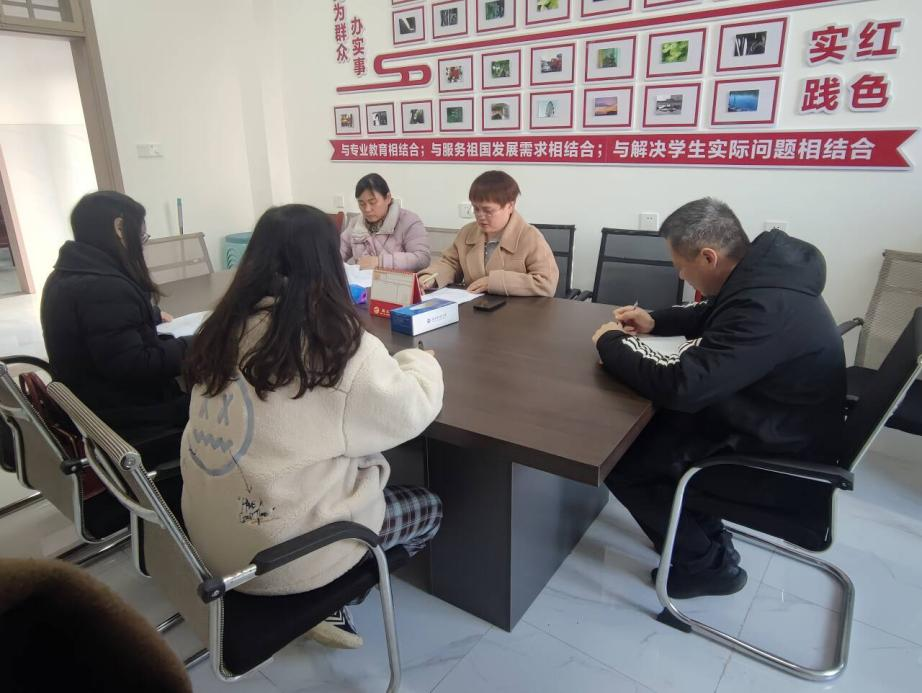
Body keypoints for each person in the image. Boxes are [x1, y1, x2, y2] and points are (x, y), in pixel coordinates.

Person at [182, 204, 443, 649]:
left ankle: (321, 594)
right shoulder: (336, 346)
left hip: (205, 539)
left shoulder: (219, 328)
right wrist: (421, 360)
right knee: (430, 508)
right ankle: (326, 600)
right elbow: (413, 409)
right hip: (280, 556)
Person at [591, 198, 845, 599]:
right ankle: (698, 536)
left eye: (681, 266)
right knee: (647, 438)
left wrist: (610, 344)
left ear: (708, 257)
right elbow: (714, 313)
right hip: (769, 420)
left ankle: (707, 567)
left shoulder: (766, 306)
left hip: (776, 458)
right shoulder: (764, 276)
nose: (680, 274)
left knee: (622, 460)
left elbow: (684, 387)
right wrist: (656, 320)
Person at [41, 191, 190, 462]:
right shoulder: (104, 287)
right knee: (223, 407)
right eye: (141, 236)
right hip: (128, 422)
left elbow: (103, 323)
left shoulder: (66, 276)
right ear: (120, 228)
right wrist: (192, 345)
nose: (141, 246)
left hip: (92, 409)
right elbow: (136, 366)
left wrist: (150, 316)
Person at [418, 170, 559, 297]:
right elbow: (451, 264)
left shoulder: (530, 237)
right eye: (476, 209)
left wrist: (494, 282)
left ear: (510, 206)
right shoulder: (467, 232)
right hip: (473, 308)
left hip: (518, 312)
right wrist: (430, 278)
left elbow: (546, 283)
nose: (480, 216)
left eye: (488, 210)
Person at [340, 173, 430, 271]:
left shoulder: (409, 221)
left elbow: (422, 258)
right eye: (362, 204)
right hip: (362, 280)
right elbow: (337, 253)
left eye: (372, 202)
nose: (367, 209)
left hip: (396, 280)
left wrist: (380, 262)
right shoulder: (355, 224)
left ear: (387, 198)